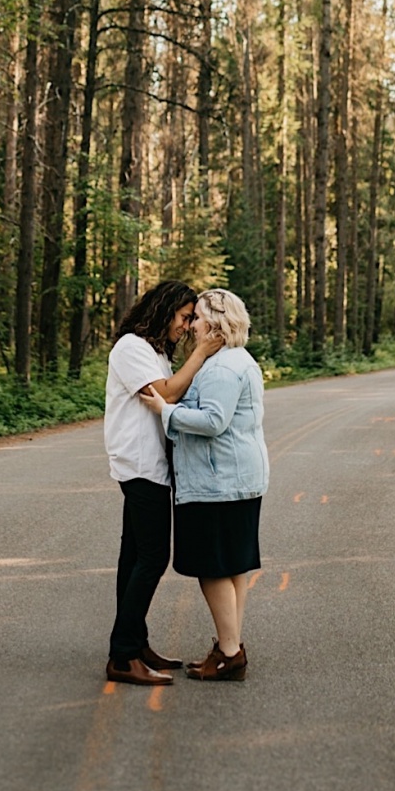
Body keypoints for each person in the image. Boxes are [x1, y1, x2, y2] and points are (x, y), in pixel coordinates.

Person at [140, 288, 267, 682]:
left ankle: (230, 653)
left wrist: (166, 410)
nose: (190, 324)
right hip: (235, 479)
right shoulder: (233, 361)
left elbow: (214, 421)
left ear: (214, 322)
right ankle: (230, 645)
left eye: (196, 317)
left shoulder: (223, 368)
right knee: (233, 566)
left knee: (213, 567)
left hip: (218, 482)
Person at [102, 279, 222, 686]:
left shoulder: (155, 351)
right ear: (165, 309)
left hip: (152, 465)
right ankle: (122, 655)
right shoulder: (131, 348)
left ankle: (135, 644)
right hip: (139, 464)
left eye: (193, 320)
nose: (188, 326)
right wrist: (202, 353)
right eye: (185, 317)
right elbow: (165, 394)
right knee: (152, 558)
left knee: (133, 557)